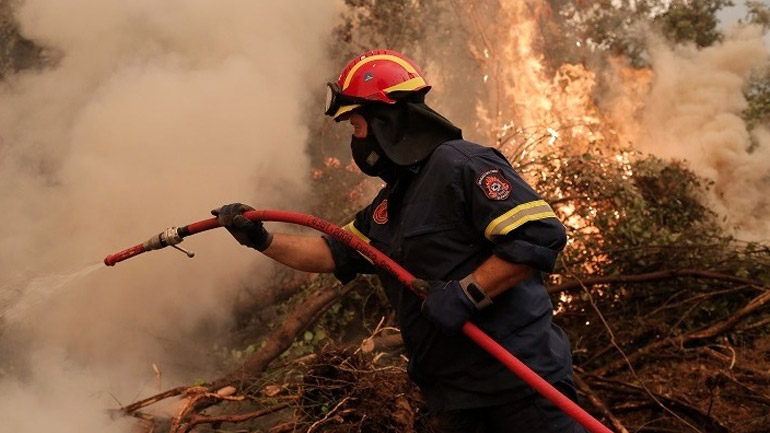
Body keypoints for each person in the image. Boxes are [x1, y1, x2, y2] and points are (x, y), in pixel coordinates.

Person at [214, 49, 584, 433]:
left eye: (356, 125)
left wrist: (468, 292)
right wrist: (260, 238)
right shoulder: (389, 205)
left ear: (386, 120)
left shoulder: (462, 164)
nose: (355, 138)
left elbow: (539, 235)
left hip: (520, 387)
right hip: (453, 399)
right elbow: (331, 252)